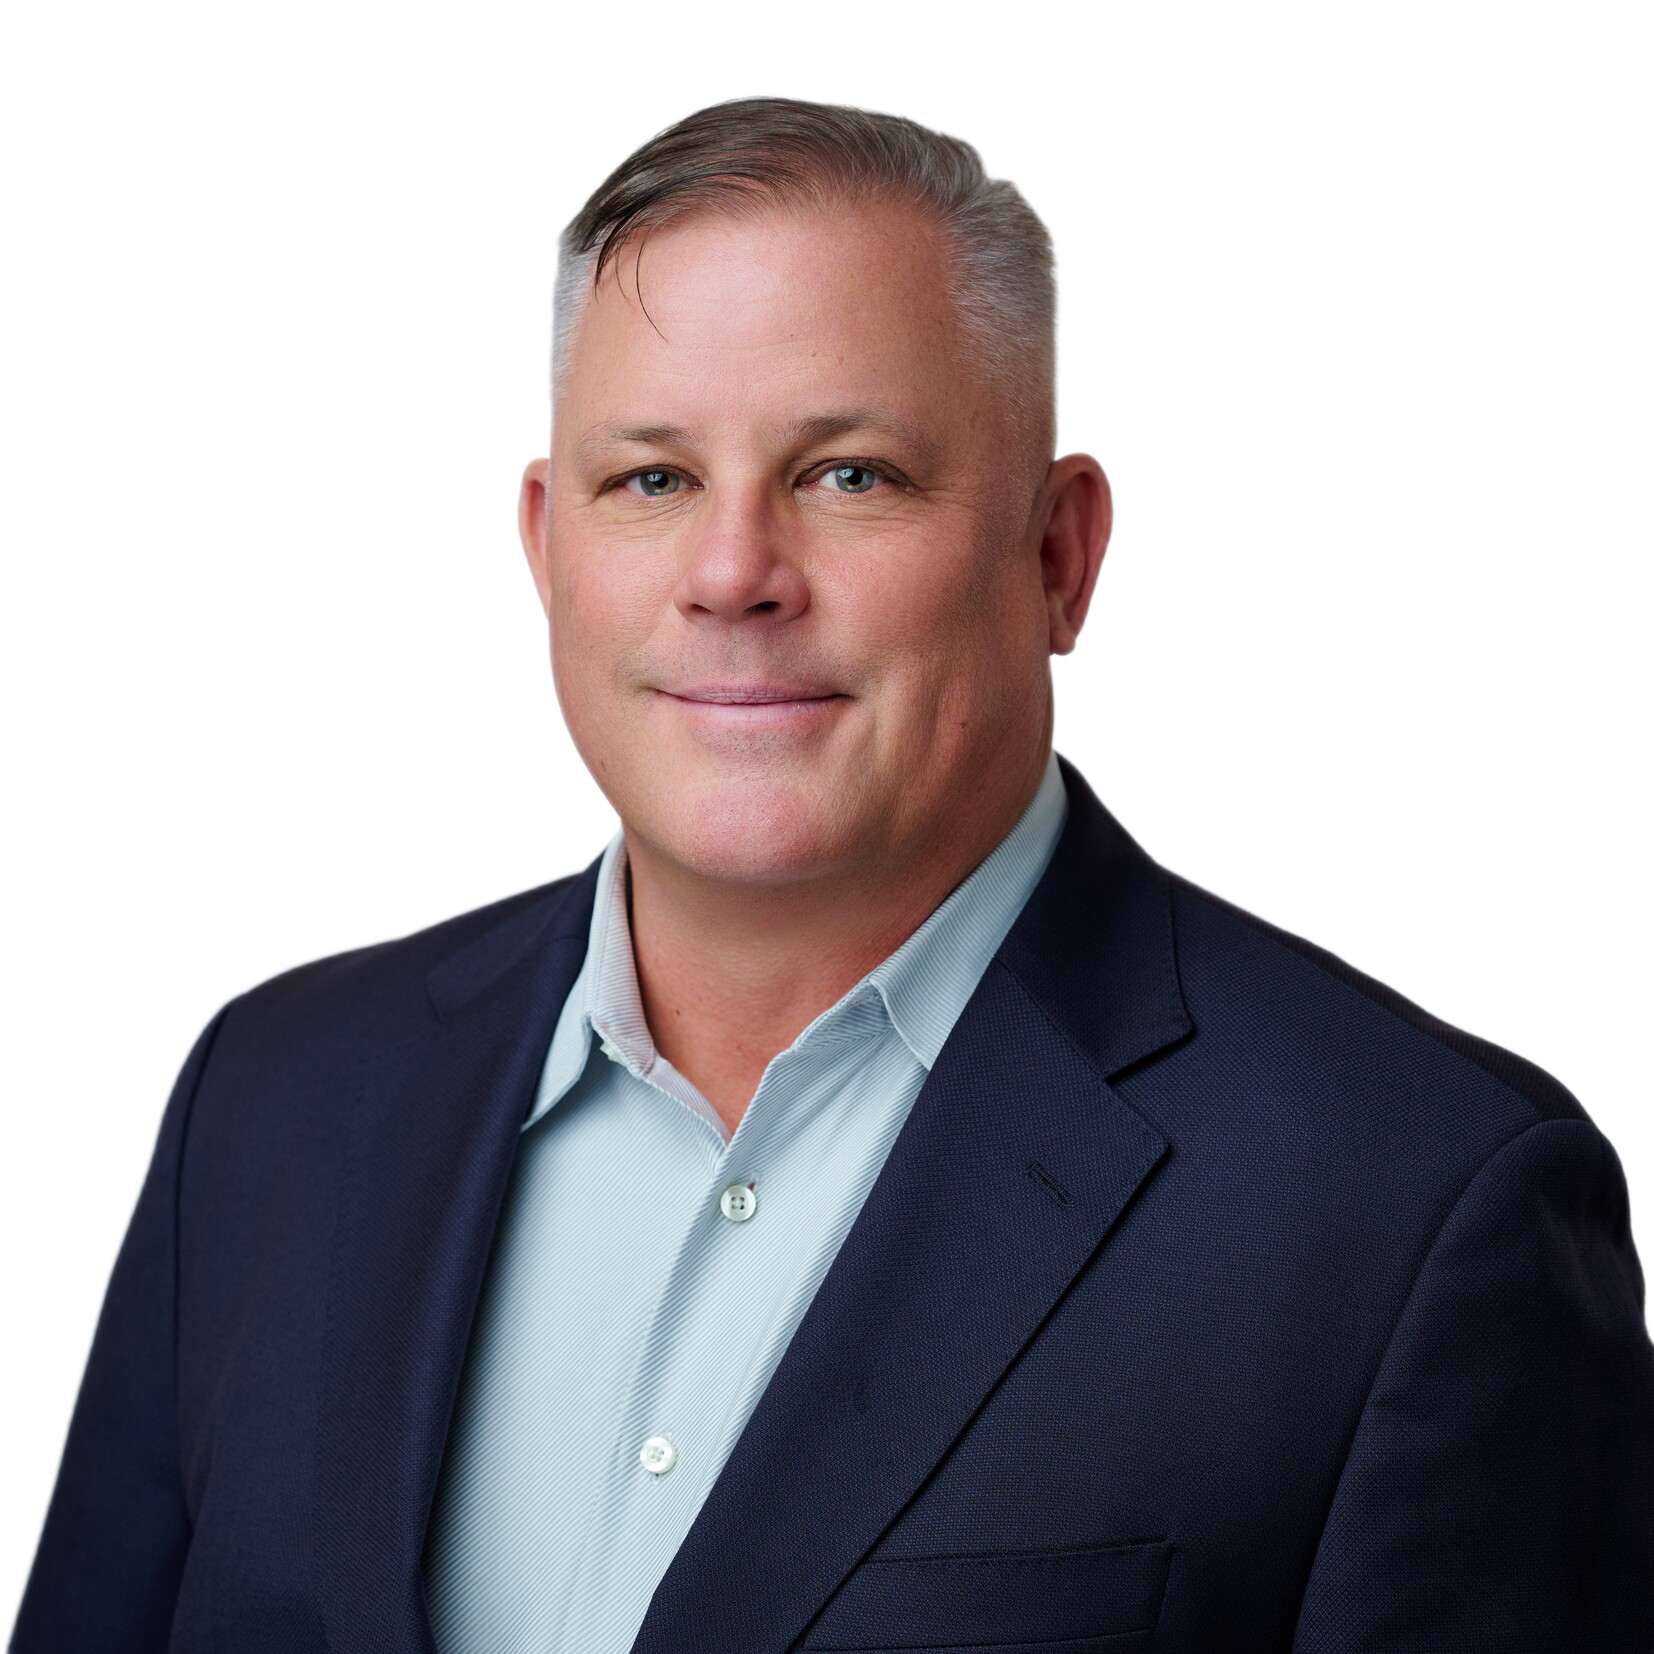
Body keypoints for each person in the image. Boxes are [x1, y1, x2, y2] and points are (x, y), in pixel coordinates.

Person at [9, 94, 1652, 1653]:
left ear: (1057, 555)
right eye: (649, 479)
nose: (733, 574)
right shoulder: (276, 1090)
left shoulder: (1415, 1204)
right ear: (543, 547)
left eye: (847, 474)